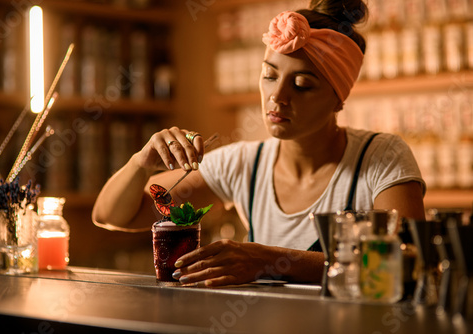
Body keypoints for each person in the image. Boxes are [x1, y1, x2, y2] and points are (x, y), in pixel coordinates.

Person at [92, 0, 426, 287]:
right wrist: (140, 162)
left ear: (339, 100)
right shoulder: (242, 164)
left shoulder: (381, 157)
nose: (277, 97)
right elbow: (112, 215)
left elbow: (408, 260)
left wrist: (268, 261)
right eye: (269, 75)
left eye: (302, 84)